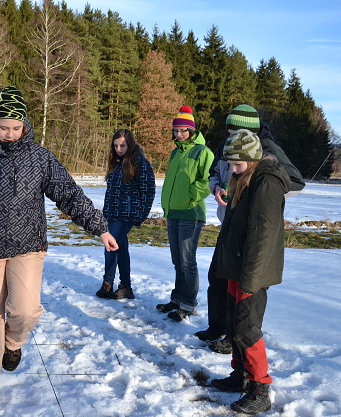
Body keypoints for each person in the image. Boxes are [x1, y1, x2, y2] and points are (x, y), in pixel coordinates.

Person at [0, 86, 118, 410]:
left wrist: (99, 228)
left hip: (28, 245)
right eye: (3, 127)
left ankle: (13, 342)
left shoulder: (40, 158)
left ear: (25, 125)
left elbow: (69, 195)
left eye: (15, 128)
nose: (9, 134)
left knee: (25, 310)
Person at [194, 104, 305, 354]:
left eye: (235, 132)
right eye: (229, 132)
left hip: (249, 229)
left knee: (245, 295)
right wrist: (217, 188)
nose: (231, 136)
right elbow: (215, 173)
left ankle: (235, 338)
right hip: (229, 224)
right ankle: (217, 328)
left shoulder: (268, 150)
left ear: (252, 131)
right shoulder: (228, 145)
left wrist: (260, 196)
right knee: (218, 278)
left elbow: (295, 182)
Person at [209, 129, 290, 414]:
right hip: (237, 266)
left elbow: (262, 236)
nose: (232, 170)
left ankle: (260, 388)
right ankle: (241, 375)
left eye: (237, 164)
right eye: (230, 164)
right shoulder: (245, 179)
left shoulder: (267, 183)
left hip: (252, 272)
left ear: (253, 159)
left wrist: (251, 279)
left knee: (247, 328)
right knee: (234, 325)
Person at [157, 106, 214, 321]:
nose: (179, 134)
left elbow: (207, 181)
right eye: (176, 130)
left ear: (191, 131)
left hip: (191, 212)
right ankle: (177, 299)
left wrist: (190, 197)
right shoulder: (176, 152)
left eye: (183, 130)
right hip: (173, 212)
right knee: (177, 261)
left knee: (187, 261)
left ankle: (189, 305)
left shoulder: (203, 152)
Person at [96, 129, 156, 300]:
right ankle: (126, 287)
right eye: (116, 145)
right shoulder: (116, 162)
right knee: (120, 249)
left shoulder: (140, 163)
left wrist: (141, 215)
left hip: (128, 214)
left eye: (122, 145)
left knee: (110, 245)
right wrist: (106, 212)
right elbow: (111, 191)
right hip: (112, 214)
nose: (119, 149)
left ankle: (107, 284)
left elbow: (148, 191)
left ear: (130, 144)